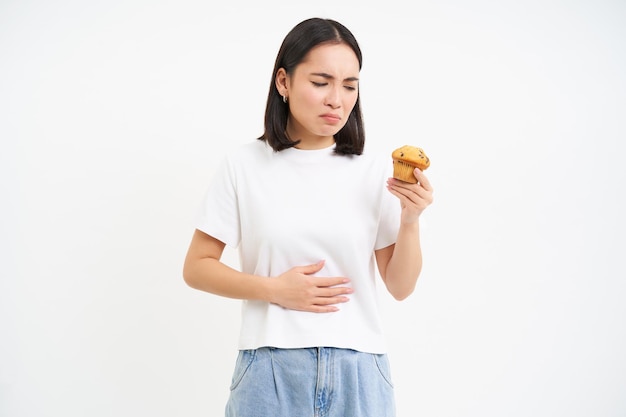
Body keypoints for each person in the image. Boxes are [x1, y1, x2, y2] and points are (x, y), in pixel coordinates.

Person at [183, 17, 433, 417]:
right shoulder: (244, 165)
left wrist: (410, 219)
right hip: (269, 370)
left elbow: (400, 287)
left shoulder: (373, 172)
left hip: (360, 371)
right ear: (283, 82)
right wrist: (275, 290)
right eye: (321, 82)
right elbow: (196, 268)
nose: (337, 98)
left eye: (349, 85)